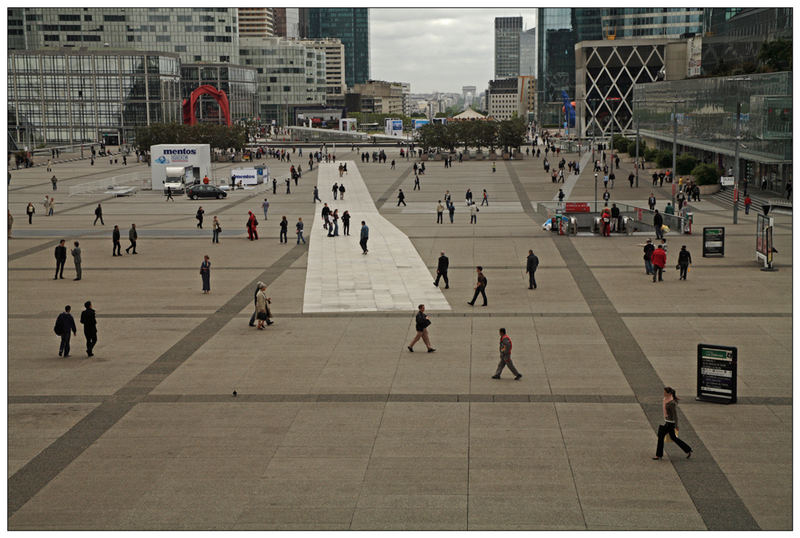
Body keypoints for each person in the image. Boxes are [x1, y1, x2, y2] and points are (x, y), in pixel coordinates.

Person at [653, 387, 692, 460]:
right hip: (668, 422)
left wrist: (676, 426)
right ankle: (688, 449)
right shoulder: (666, 400)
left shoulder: (671, 403)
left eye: (665, 392)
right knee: (673, 437)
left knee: (660, 436)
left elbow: (675, 415)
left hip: (670, 423)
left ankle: (658, 455)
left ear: (669, 394)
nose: (664, 394)